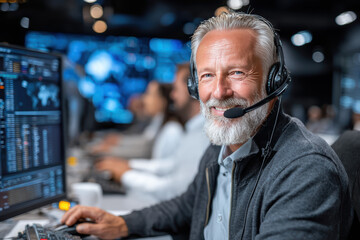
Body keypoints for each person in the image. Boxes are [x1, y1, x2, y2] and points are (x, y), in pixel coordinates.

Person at [61, 12, 353, 239]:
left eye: (237, 72)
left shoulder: (306, 169)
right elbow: (186, 207)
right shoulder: (220, 150)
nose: (219, 92)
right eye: (207, 76)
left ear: (273, 80)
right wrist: (123, 223)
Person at [95, 63, 209, 201]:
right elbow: (171, 165)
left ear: (193, 90)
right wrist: (129, 166)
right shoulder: (192, 131)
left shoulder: (195, 135)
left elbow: (172, 189)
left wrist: (126, 173)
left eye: (176, 89)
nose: (172, 95)